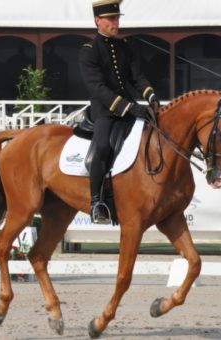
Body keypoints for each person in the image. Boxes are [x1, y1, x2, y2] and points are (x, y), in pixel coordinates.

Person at [79, 0, 160, 224]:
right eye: (111, 19)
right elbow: (97, 88)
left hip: (129, 108)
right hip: (104, 111)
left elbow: (137, 77)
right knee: (102, 147)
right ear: (98, 21)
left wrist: (150, 96)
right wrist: (127, 107)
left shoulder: (125, 47)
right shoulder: (89, 51)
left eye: (117, 18)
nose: (116, 23)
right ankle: (96, 202)